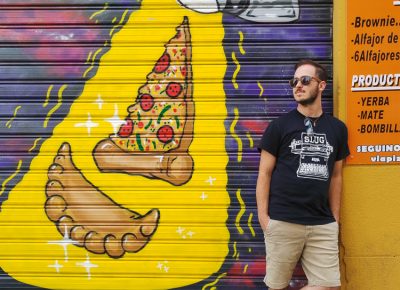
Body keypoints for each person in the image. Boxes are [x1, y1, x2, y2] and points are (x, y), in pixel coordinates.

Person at [256, 59, 350, 290]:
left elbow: (336, 176)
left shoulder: (337, 129)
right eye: (294, 81)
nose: (298, 85)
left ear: (321, 86)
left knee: (328, 286)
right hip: (283, 220)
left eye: (305, 80)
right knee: (276, 286)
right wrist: (264, 219)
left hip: (322, 223)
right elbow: (264, 174)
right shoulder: (279, 126)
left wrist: (334, 219)